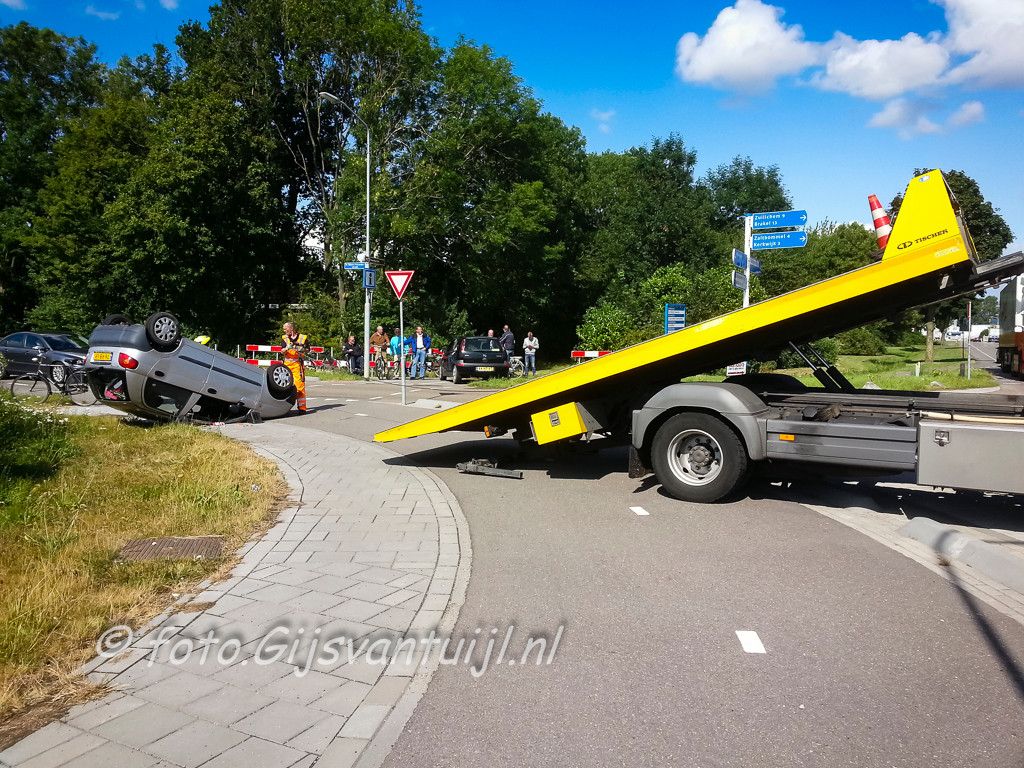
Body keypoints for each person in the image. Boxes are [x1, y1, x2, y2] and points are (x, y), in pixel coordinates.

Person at [281, 322, 308, 412]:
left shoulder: (302, 338)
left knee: (300, 386)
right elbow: (282, 351)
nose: (284, 331)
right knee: (285, 386)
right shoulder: (284, 338)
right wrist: (287, 348)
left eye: (286, 329)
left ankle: (302, 407)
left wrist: (302, 349)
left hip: (298, 365)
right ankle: (283, 407)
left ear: (291, 329)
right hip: (287, 365)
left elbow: (308, 349)